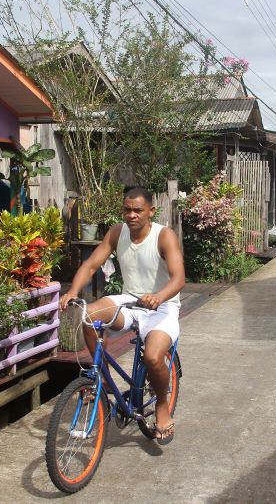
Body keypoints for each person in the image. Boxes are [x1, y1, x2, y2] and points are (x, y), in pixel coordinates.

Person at [58, 186, 184, 445]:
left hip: (162, 306)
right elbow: (91, 264)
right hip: (129, 300)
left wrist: (158, 296)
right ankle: (101, 381)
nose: (131, 215)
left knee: (152, 356)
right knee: (89, 315)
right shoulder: (117, 233)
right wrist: (72, 290)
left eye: (138, 210)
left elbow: (179, 278)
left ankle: (161, 405)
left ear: (151, 211)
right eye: (127, 210)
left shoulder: (164, 236)